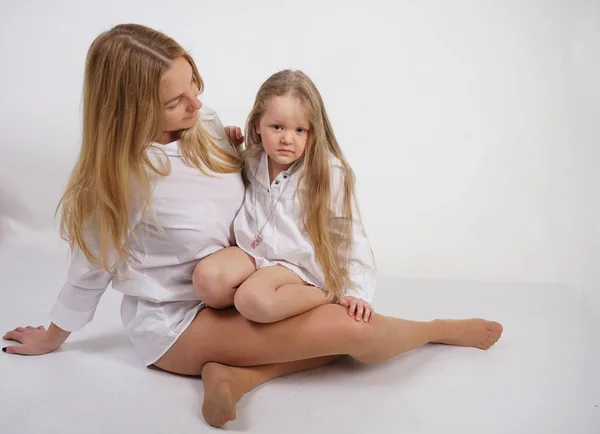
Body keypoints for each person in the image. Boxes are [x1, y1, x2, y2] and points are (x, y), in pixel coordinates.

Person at [1, 23, 503, 428]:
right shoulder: (122, 179)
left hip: (246, 281)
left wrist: (242, 140)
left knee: (343, 327)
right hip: (179, 322)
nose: (196, 103)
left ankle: (238, 377)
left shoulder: (206, 125)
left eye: (194, 83)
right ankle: (437, 330)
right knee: (357, 336)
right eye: (177, 101)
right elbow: (90, 264)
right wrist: (52, 335)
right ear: (131, 112)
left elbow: (261, 178)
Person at [192, 69, 376, 325]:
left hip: (296, 263)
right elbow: (219, 177)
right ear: (257, 124)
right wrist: (226, 142)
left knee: (252, 300)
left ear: (313, 131)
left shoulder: (328, 171)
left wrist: (357, 291)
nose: (287, 139)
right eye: (276, 127)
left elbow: (350, 233)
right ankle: (263, 299)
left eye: (300, 130)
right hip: (253, 251)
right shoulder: (253, 159)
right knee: (207, 281)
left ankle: (325, 294)